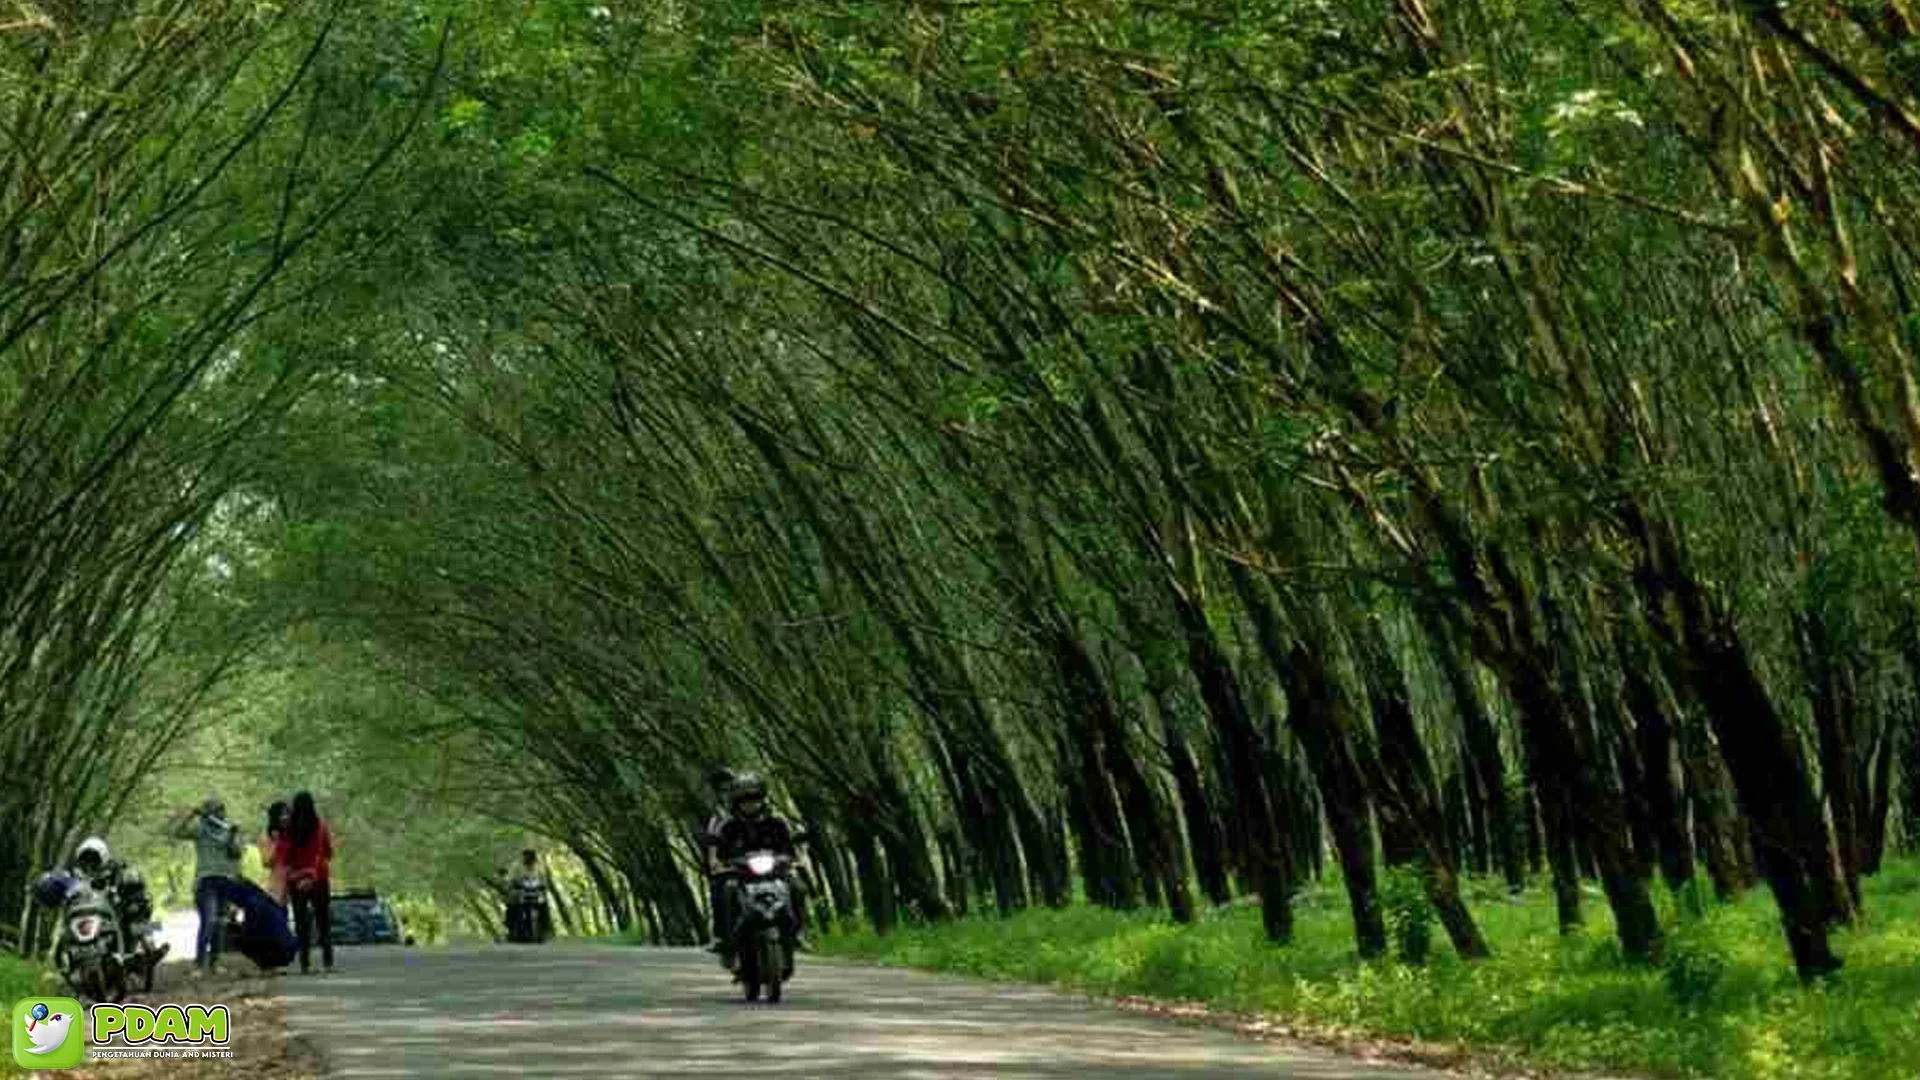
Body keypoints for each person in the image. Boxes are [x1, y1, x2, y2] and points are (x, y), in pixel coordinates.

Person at [712, 772, 808, 969]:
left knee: (798, 887)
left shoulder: (777, 823)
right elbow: (719, 853)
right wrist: (720, 864)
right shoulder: (728, 826)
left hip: (775, 874)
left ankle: (798, 932)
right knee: (723, 889)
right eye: (744, 800)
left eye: (754, 798)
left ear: (762, 799)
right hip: (741, 877)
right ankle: (725, 938)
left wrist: (796, 860)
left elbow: (790, 850)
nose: (750, 804)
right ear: (736, 802)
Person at [167, 795, 243, 975]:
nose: (220, 813)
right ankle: (199, 964)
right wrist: (191, 815)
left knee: (220, 923)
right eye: (216, 810)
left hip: (225, 880)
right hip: (206, 880)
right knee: (208, 922)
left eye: (221, 810)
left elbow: (236, 854)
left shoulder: (228, 830)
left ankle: (215, 964)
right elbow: (177, 832)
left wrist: (232, 836)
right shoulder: (200, 829)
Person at [276, 791, 335, 974]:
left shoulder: (288, 829)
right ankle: (328, 962)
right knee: (323, 921)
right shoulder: (321, 826)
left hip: (296, 880)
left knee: (301, 923)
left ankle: (305, 964)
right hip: (319, 878)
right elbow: (328, 853)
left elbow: (283, 857)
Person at [699, 768, 734, 954]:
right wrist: (714, 861)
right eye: (723, 790)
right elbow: (712, 841)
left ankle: (797, 931)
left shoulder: (757, 807)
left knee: (793, 885)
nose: (727, 793)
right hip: (732, 863)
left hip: (761, 859)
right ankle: (720, 936)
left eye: (730, 788)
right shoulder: (718, 816)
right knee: (718, 890)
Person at [258, 801, 290, 906]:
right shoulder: (267, 836)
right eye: (282, 814)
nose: (285, 817)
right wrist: (278, 844)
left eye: (287, 813)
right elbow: (267, 862)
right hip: (279, 888)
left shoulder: (296, 834)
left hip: (299, 884)